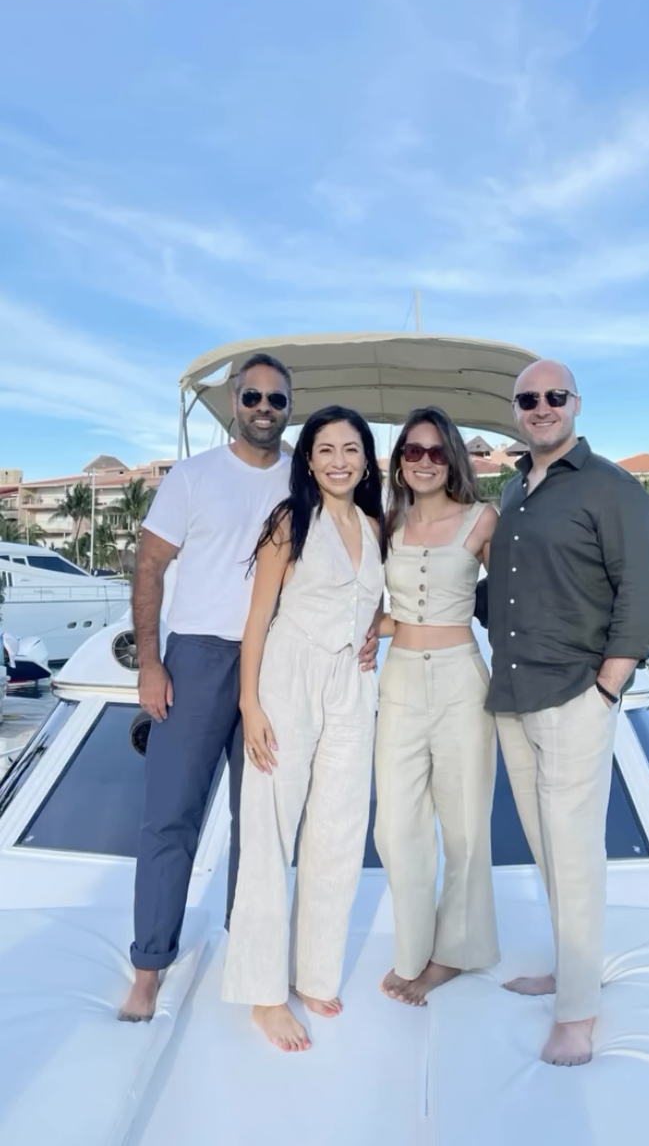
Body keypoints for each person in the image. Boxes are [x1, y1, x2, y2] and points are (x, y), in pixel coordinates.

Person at [119, 356, 378, 1023]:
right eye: (253, 395)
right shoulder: (192, 476)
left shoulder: (308, 473)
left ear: (291, 403)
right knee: (171, 814)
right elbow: (150, 564)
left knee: (260, 823)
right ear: (235, 400)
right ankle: (149, 965)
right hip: (201, 655)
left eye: (277, 397)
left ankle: (252, 958)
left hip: (283, 661)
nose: (265, 405)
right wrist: (151, 661)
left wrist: (370, 623)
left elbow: (354, 561)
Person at [485, 359, 649, 1067]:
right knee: (548, 847)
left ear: (575, 404)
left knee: (577, 852)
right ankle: (571, 971)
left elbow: (641, 597)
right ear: (516, 410)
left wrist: (608, 684)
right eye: (528, 399)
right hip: (512, 694)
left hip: (575, 695)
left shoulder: (613, 488)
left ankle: (578, 1013)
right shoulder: (511, 490)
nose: (541, 407)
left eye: (553, 396)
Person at [222, 406, 385, 1053]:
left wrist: (375, 629)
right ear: (309, 460)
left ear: (367, 459)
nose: (339, 460)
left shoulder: (375, 525)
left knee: (339, 832)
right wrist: (249, 706)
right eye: (326, 449)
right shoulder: (291, 521)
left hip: (350, 684)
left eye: (351, 448)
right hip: (286, 679)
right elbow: (257, 620)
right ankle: (264, 992)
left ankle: (314, 969)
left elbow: (373, 602)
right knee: (269, 831)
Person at [375, 407, 500, 1007]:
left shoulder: (483, 519)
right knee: (396, 828)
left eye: (436, 451)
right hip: (397, 676)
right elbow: (372, 603)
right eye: (412, 451)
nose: (424, 461)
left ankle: (454, 954)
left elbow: (512, 602)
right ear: (400, 460)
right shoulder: (386, 521)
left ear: (452, 457)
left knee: (467, 827)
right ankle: (411, 949)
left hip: (461, 681)